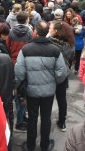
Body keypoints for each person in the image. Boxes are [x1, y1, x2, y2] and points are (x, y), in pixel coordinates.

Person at [15, 20, 67, 151]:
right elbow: (62, 73)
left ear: (35, 32)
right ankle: (45, 145)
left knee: (32, 118)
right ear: (47, 32)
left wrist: (22, 85)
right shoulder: (55, 50)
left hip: (31, 91)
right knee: (46, 117)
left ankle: (30, 145)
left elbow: (19, 72)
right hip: (48, 91)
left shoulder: (26, 49)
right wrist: (52, 81)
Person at [49, 20, 75, 132]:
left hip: (49, 75)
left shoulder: (49, 44)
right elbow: (70, 60)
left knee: (48, 99)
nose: (49, 30)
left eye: (50, 28)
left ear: (56, 31)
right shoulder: (70, 45)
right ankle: (62, 122)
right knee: (61, 99)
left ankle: (46, 121)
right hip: (63, 75)